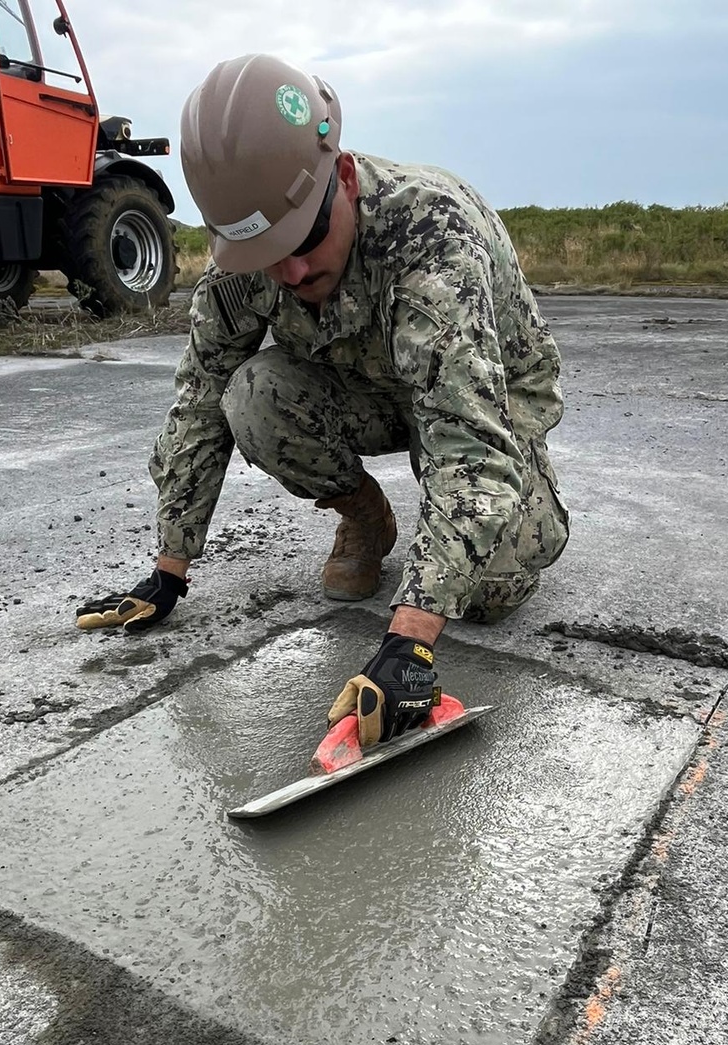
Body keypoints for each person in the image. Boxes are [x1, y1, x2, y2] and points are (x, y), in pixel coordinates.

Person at [77, 53, 570, 748]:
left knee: (485, 594)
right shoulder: (244, 264)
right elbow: (200, 396)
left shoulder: (431, 237)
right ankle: (368, 519)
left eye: (304, 240)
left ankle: (519, 500)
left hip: (481, 402)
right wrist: (169, 568)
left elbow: (466, 438)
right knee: (249, 396)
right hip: (372, 388)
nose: (293, 271)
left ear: (341, 178)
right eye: (265, 254)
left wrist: (411, 644)